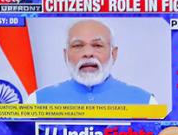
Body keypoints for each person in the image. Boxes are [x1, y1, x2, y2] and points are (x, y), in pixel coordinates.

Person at [29, 19, 158, 105]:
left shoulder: (146, 102)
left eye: (97, 45)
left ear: (114, 53)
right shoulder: (37, 101)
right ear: (65, 55)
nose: (88, 53)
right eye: (78, 46)